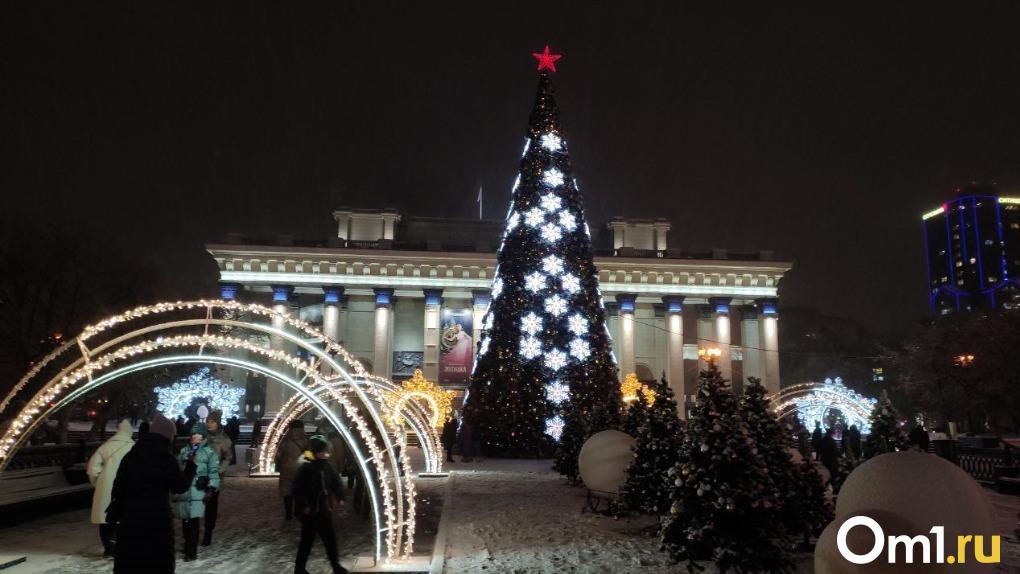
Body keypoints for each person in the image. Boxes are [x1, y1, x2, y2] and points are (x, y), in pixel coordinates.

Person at [109, 414, 195, 574]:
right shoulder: (165, 458)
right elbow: (179, 487)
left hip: (131, 519)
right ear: (167, 436)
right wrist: (190, 468)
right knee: (157, 561)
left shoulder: (131, 455)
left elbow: (117, 486)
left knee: (131, 560)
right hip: (157, 520)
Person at [293, 435, 347, 574]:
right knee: (307, 540)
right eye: (322, 451)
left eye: (325, 451)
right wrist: (303, 506)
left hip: (324, 509)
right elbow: (297, 489)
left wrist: (339, 496)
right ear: (316, 452)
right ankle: (299, 568)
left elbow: (335, 482)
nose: (325, 454)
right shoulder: (306, 467)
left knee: (330, 539)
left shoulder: (327, 466)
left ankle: (335, 565)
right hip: (310, 511)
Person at [172, 422, 220, 561]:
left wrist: (211, 487)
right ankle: (188, 545)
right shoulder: (184, 451)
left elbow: (214, 472)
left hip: (198, 491)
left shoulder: (208, 452)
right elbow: (178, 469)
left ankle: (191, 551)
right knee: (185, 522)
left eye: (198, 434)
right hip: (185, 490)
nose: (195, 437)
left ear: (203, 436)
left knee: (193, 521)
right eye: (193, 434)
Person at [87, 419, 135, 557]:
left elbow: (92, 468)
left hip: (106, 486)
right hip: (127, 487)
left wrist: (98, 482)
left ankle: (108, 547)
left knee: (105, 518)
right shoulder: (134, 447)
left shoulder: (105, 447)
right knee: (123, 517)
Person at [203, 411, 233, 546]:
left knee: (210, 506)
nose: (209, 424)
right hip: (199, 476)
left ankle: (208, 533)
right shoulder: (201, 436)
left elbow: (228, 458)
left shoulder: (224, 440)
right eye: (208, 421)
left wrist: (219, 470)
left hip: (214, 478)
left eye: (212, 421)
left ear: (218, 423)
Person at [276, 419, 307, 520]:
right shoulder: (305, 441)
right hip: (301, 469)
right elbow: (309, 456)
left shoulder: (285, 441)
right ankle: (298, 511)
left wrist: (279, 464)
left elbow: (278, 456)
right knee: (299, 491)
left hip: (286, 469)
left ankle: (288, 513)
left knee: (287, 492)